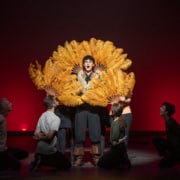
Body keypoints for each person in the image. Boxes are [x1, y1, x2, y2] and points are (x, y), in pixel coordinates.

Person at [73, 55, 102, 167]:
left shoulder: (98, 76)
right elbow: (74, 89)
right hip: (81, 108)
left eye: (90, 62)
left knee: (95, 134)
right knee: (79, 134)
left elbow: (101, 89)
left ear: (93, 64)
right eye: (85, 62)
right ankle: (79, 158)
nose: (88, 63)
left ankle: (96, 157)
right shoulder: (77, 76)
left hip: (93, 108)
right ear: (83, 64)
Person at [29, 95, 71, 172]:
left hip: (39, 149)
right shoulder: (56, 118)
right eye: (56, 100)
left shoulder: (42, 115)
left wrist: (39, 137)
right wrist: (42, 136)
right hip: (49, 150)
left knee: (60, 161)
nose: (58, 100)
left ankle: (40, 159)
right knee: (67, 165)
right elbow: (49, 136)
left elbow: (35, 133)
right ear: (53, 104)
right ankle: (43, 161)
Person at [98, 103, 131, 170]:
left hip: (116, 150)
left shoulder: (115, 124)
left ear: (113, 112)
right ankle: (122, 160)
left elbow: (114, 142)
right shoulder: (122, 121)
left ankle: (118, 161)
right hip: (121, 149)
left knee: (100, 163)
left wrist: (119, 140)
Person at [0, 98, 28, 171]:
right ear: (3, 106)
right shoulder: (1, 118)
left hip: (4, 150)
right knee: (17, 165)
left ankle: (4, 162)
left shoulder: (3, 117)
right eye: (8, 103)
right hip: (1, 152)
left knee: (23, 153)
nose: (11, 104)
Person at [152, 102, 180, 168]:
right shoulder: (167, 121)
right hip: (172, 146)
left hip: (177, 150)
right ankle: (167, 156)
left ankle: (173, 158)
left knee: (162, 164)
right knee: (156, 139)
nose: (160, 108)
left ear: (166, 112)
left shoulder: (171, 123)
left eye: (163, 108)